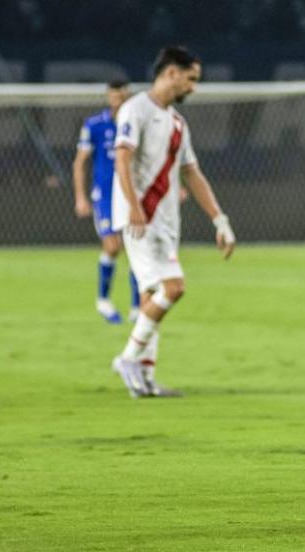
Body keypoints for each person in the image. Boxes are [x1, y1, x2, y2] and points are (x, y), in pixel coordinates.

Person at [110, 46, 236, 398]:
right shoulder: (135, 109)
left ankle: (144, 380)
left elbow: (192, 173)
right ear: (171, 73)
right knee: (173, 288)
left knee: (153, 296)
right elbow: (122, 159)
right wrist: (134, 207)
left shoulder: (177, 124)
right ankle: (128, 358)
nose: (194, 87)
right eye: (191, 79)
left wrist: (220, 220)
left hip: (165, 222)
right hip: (141, 219)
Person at [72, 79, 141, 324]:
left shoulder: (135, 124)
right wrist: (81, 196)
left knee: (135, 249)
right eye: (114, 96)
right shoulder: (94, 125)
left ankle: (137, 307)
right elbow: (80, 163)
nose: (118, 101)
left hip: (131, 193)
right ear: (108, 97)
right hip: (105, 194)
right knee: (112, 246)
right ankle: (103, 300)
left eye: (122, 96)